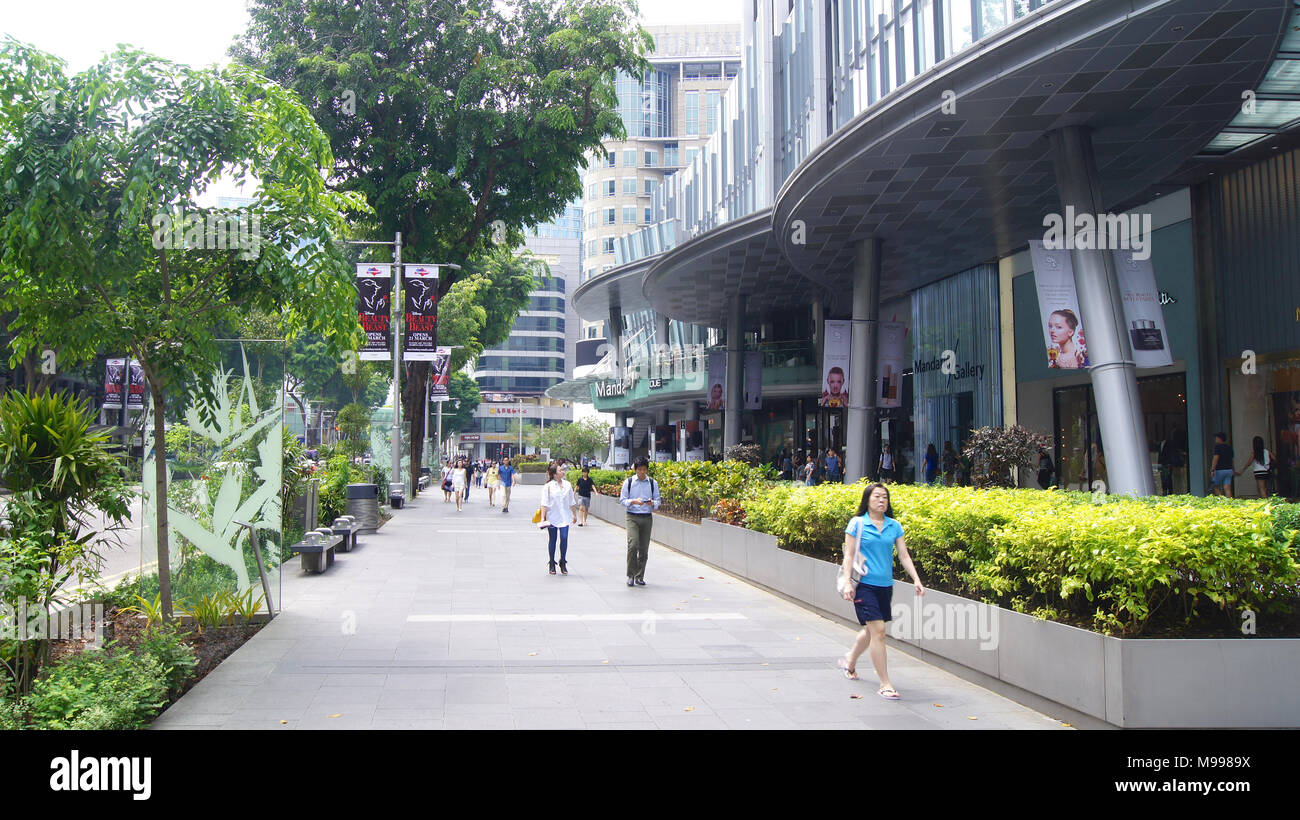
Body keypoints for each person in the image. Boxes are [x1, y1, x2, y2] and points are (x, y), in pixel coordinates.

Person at [837, 483, 925, 699]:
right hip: (864, 586)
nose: (881, 500)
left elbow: (904, 555)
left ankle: (850, 660)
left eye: (884, 497)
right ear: (867, 500)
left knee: (871, 631)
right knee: (879, 632)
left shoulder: (894, 526)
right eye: (876, 496)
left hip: (885, 586)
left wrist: (916, 579)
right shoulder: (857, 524)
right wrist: (847, 582)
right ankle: (885, 683)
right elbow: (849, 555)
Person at [620, 456, 660, 586]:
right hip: (632, 516)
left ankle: (640, 575)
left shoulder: (653, 483)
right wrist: (633, 501)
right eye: (640, 469)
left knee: (644, 548)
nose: (642, 472)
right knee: (633, 545)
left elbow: (658, 501)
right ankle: (630, 574)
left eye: (645, 469)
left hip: (647, 517)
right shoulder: (629, 482)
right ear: (635, 470)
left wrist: (653, 503)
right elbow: (622, 500)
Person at [539, 463, 578, 575]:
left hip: (565, 516)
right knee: (553, 539)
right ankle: (552, 562)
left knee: (564, 538)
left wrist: (574, 515)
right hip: (552, 517)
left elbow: (571, 501)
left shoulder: (567, 485)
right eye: (560, 470)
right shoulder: (548, 486)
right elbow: (544, 503)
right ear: (555, 474)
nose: (563, 472)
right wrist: (543, 518)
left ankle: (563, 561)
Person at [1157, 429, 1182, 495]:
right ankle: (1165, 490)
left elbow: (1170, 454)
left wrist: (1169, 463)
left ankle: (1169, 491)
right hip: (1162, 464)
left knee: (1167, 478)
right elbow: (1160, 454)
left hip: (1167, 464)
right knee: (1164, 477)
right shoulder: (1161, 444)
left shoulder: (1169, 443)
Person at [1209, 432, 1234, 497]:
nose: (1215, 439)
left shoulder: (1217, 447)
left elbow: (1216, 458)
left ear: (1219, 439)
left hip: (1219, 470)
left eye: (1216, 438)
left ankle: (1222, 501)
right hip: (1229, 470)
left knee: (1215, 486)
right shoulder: (1229, 447)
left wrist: (1212, 469)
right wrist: (1233, 469)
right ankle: (1229, 502)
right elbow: (1232, 459)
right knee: (1227, 488)